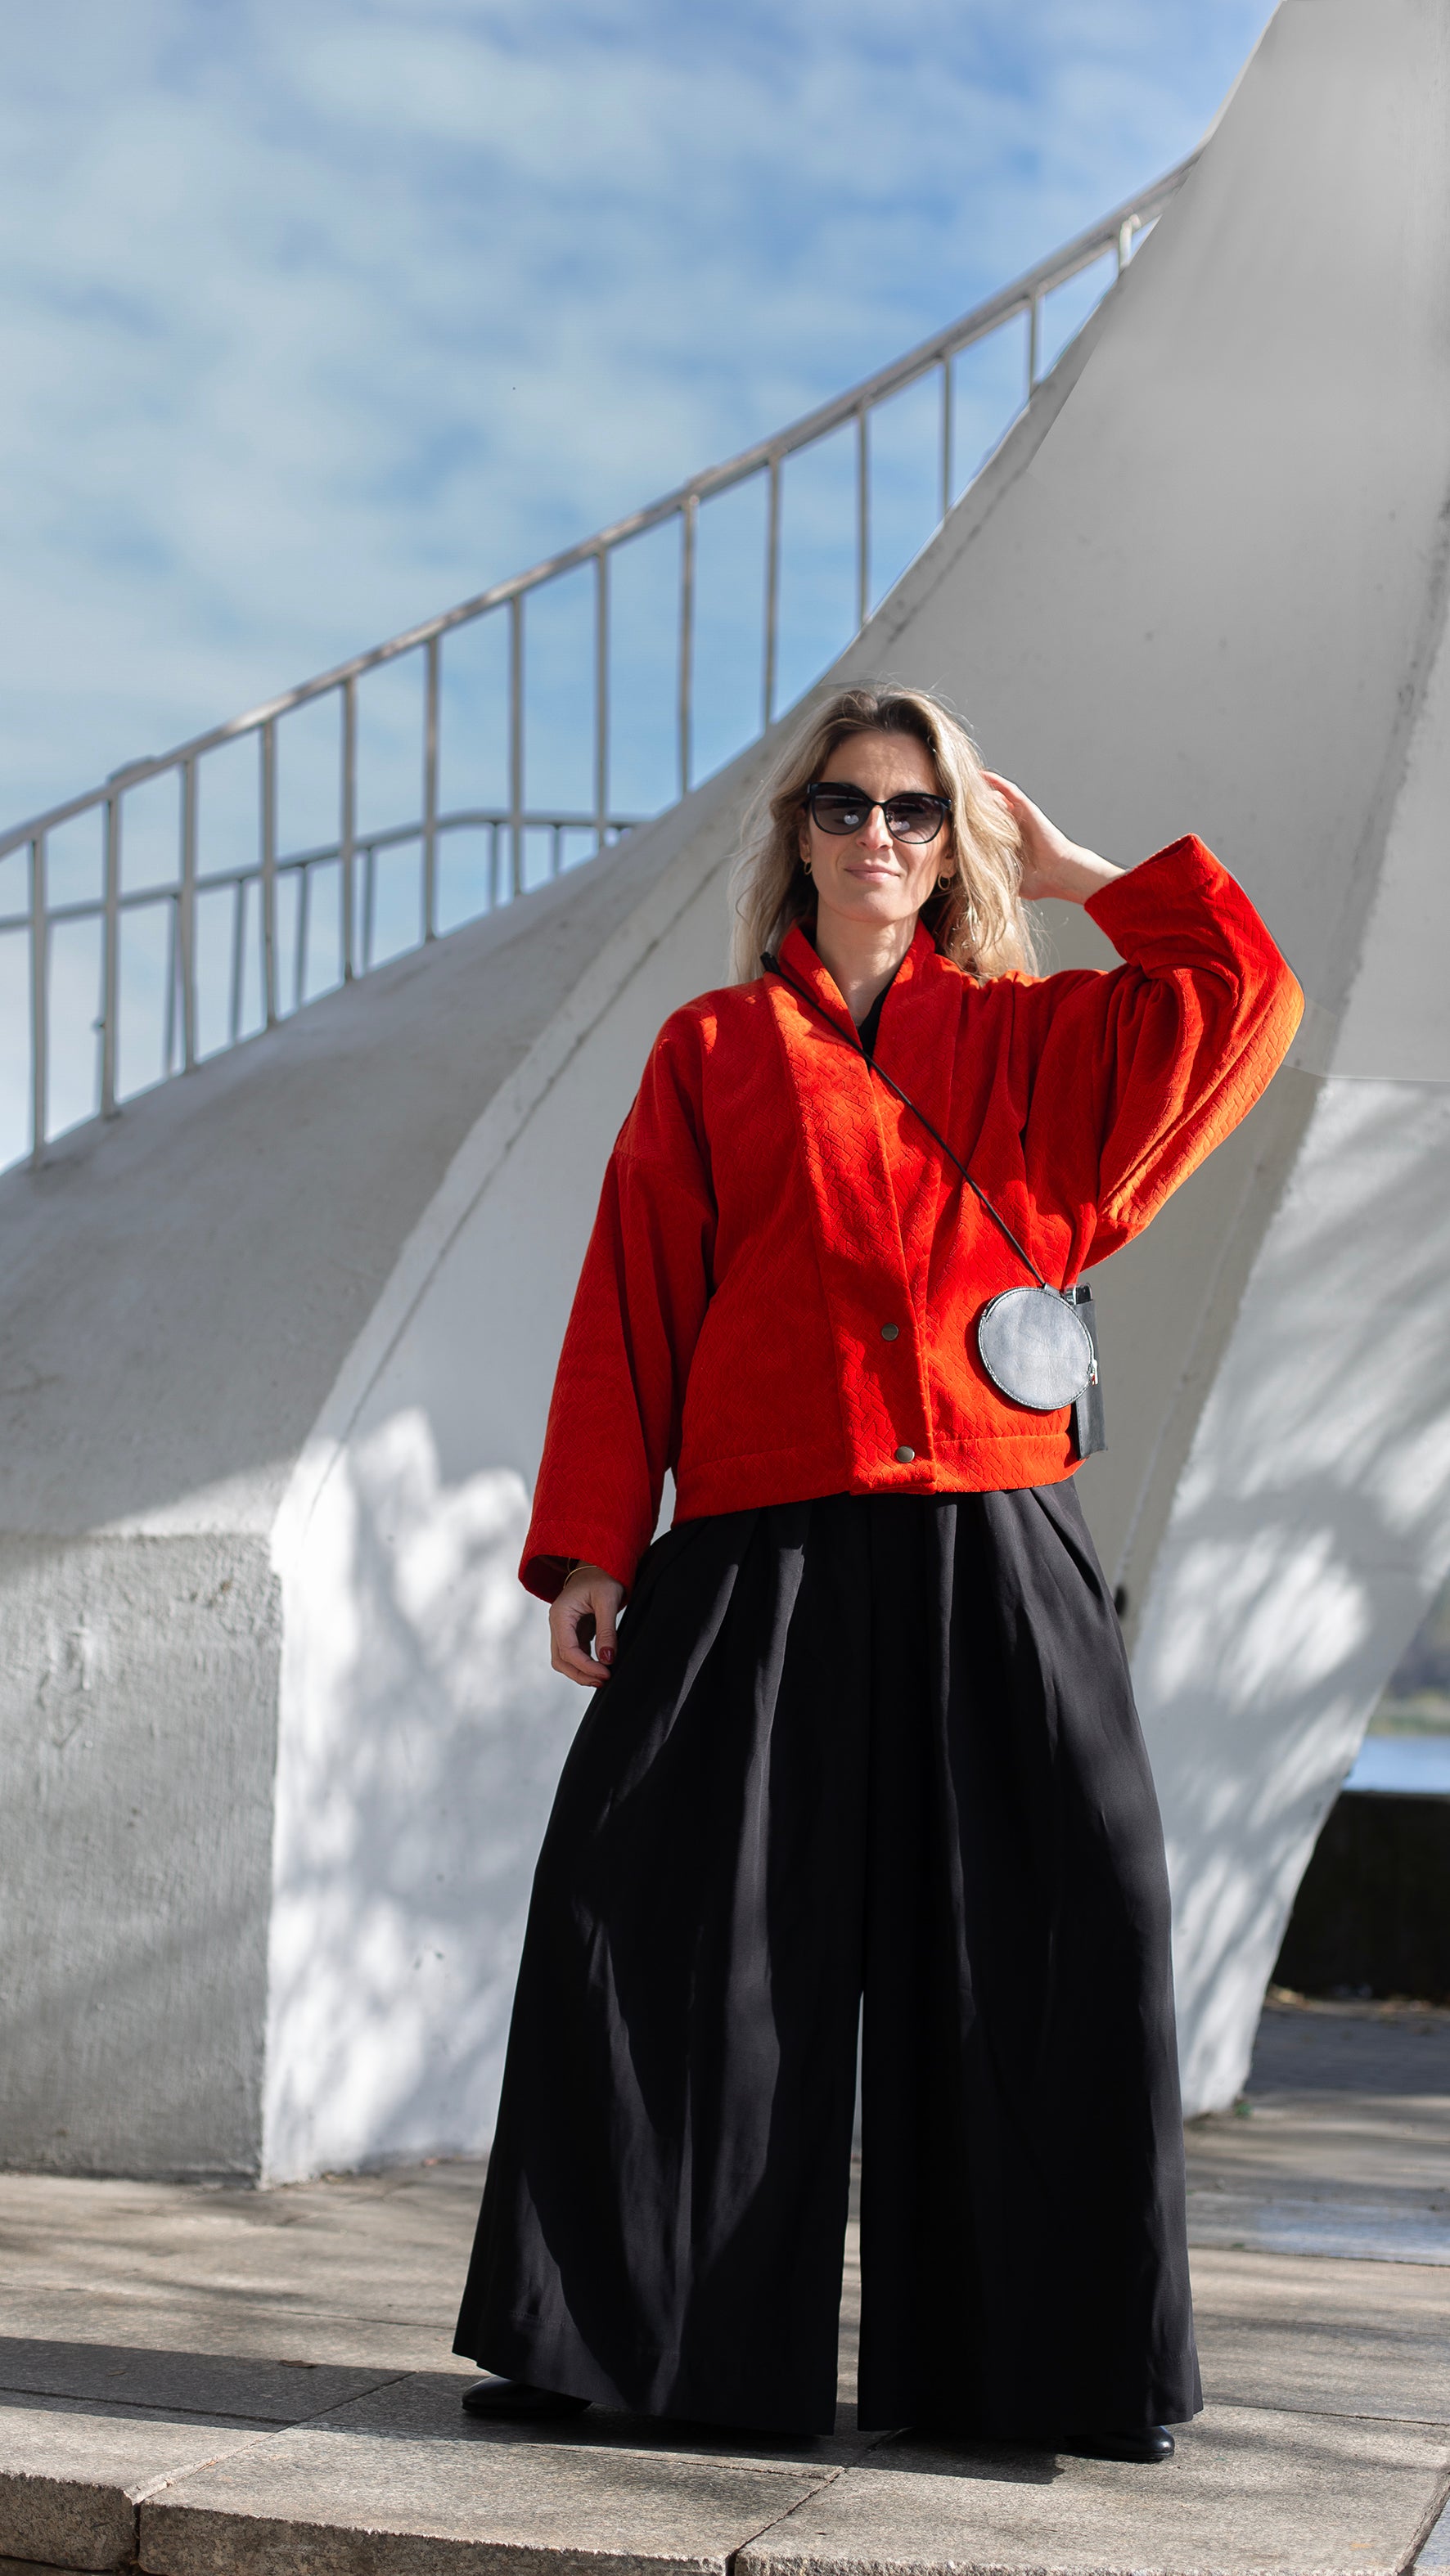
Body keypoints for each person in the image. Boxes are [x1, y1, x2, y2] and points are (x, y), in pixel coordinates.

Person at [453, 682, 1303, 2461]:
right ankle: (636, 2346)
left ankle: (1041, 2370)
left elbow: (1245, 998)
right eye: (844, 804)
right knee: (661, 1914)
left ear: (955, 835)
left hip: (995, 1527)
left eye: (917, 809)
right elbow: (635, 1292)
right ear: (799, 832)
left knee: (1060, 1919)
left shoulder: (1034, 1039)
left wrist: (1084, 876)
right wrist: (597, 1539)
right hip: (754, 1536)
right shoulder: (709, 1049)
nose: (878, 836)